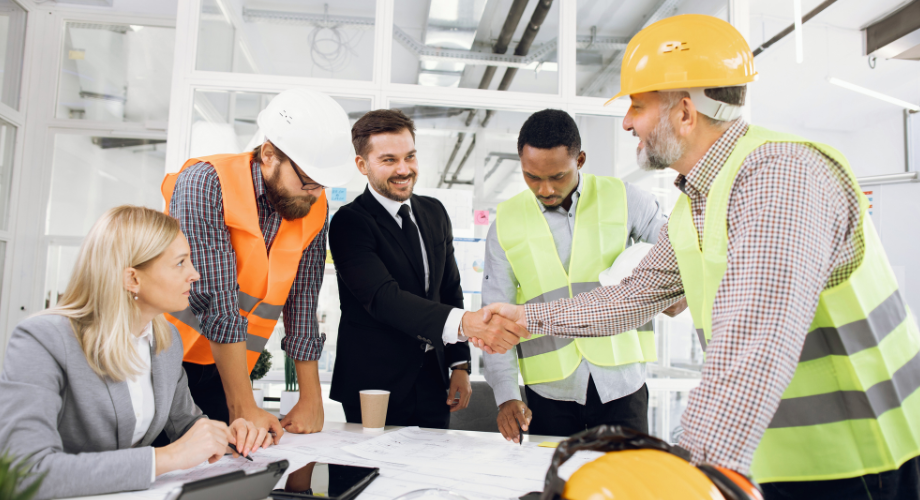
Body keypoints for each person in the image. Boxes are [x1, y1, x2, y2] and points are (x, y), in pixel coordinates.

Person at [475, 14, 920, 500]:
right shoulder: (696, 200)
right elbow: (632, 297)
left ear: (684, 110)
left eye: (637, 105)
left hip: (860, 468)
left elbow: (755, 338)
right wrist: (526, 318)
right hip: (773, 463)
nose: (629, 122)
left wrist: (681, 487)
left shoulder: (779, 174)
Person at [0, 206, 260, 500]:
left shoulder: (165, 340)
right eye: (180, 263)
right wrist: (165, 458)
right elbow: (25, 472)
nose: (194, 274)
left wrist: (224, 435)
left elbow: (185, 424)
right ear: (132, 279)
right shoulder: (42, 339)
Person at [164, 88, 355, 442]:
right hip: (161, 361)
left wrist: (311, 397)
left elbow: (302, 300)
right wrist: (243, 405)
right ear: (269, 155)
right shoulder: (205, 183)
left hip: (226, 367)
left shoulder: (312, 201)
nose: (316, 194)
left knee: (222, 475)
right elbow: (216, 300)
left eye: (322, 184)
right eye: (309, 181)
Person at [483, 109, 681, 442]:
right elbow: (495, 316)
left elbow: (676, 258)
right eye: (532, 176)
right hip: (550, 393)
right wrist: (506, 395)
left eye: (558, 176)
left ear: (581, 160)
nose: (545, 189)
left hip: (623, 384)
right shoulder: (504, 223)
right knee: (558, 490)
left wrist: (673, 294)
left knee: (628, 488)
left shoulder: (627, 199)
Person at [328, 109, 529, 429]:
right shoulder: (349, 223)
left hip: (433, 380)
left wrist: (459, 364)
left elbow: (449, 289)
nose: (404, 169)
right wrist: (468, 324)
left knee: (432, 471)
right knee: (368, 474)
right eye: (389, 160)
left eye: (410, 156)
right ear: (362, 166)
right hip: (375, 384)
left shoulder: (433, 212)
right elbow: (383, 298)